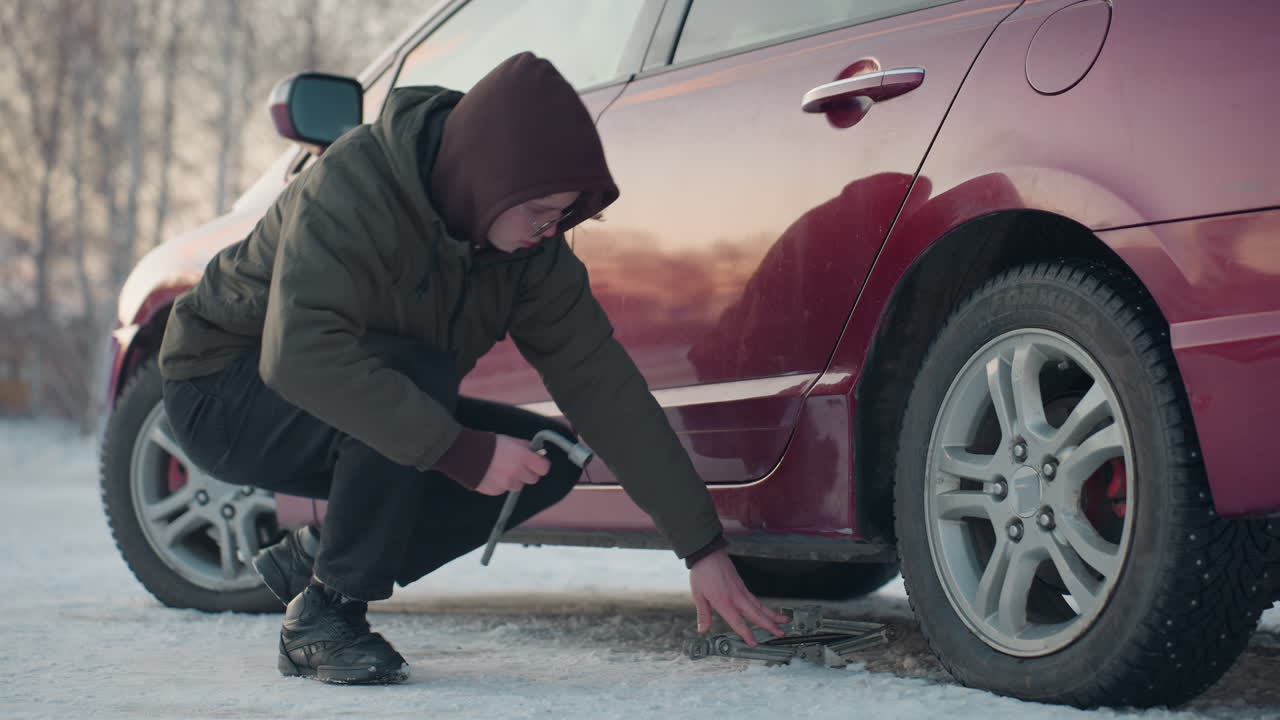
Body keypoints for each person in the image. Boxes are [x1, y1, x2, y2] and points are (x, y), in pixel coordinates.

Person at [158, 52, 785, 685]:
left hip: (366, 390)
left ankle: (321, 558)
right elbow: (299, 355)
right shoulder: (352, 188)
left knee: (548, 457)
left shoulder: (528, 255)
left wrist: (700, 547)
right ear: (488, 178)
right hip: (225, 390)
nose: (550, 228)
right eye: (539, 209)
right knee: (417, 385)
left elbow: (605, 388)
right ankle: (324, 618)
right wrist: (455, 449)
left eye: (563, 214)